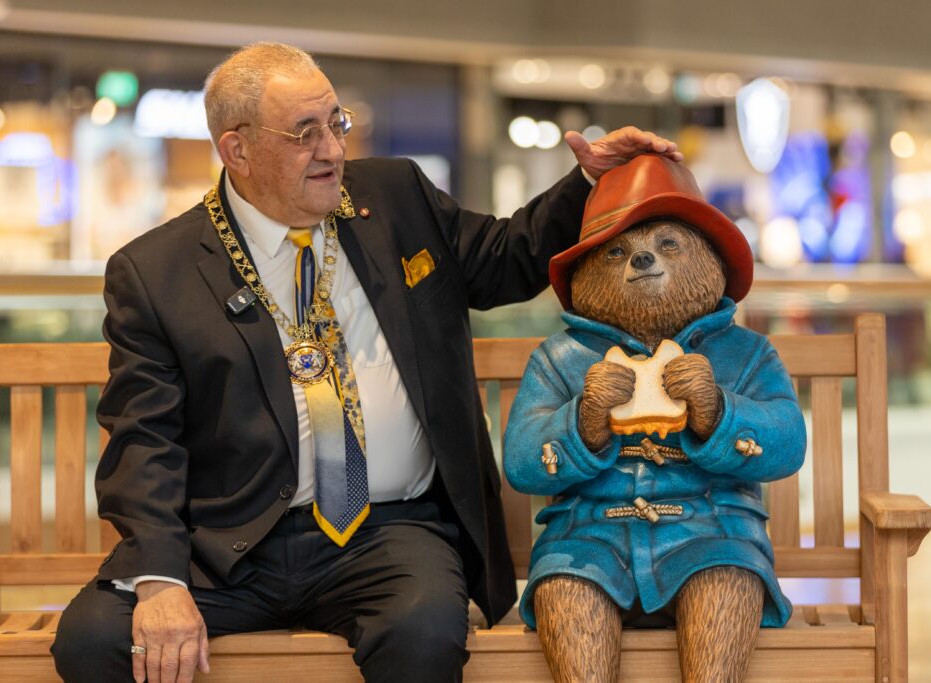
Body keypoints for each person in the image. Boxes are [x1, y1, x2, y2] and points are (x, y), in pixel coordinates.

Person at [50, 42, 682, 683]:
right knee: (93, 640)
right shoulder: (158, 271)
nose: (331, 149)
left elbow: (505, 257)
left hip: (390, 530)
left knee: (423, 628)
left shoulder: (395, 197)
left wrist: (587, 181)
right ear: (236, 150)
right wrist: (160, 581)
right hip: (231, 543)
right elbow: (144, 439)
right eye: (303, 133)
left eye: (336, 123)